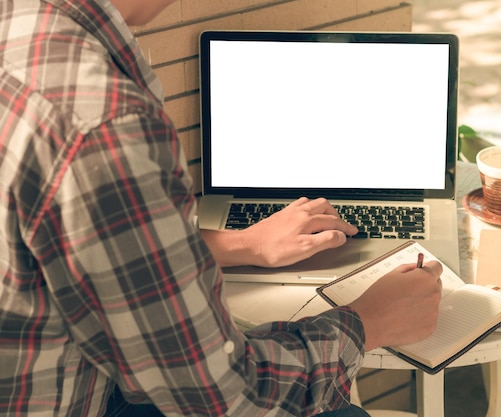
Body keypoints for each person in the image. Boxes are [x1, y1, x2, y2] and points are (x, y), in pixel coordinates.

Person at [0, 1, 444, 416]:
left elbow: (69, 246)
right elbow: (225, 396)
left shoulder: (23, 27)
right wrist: (368, 323)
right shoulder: (105, 126)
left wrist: (239, 242)